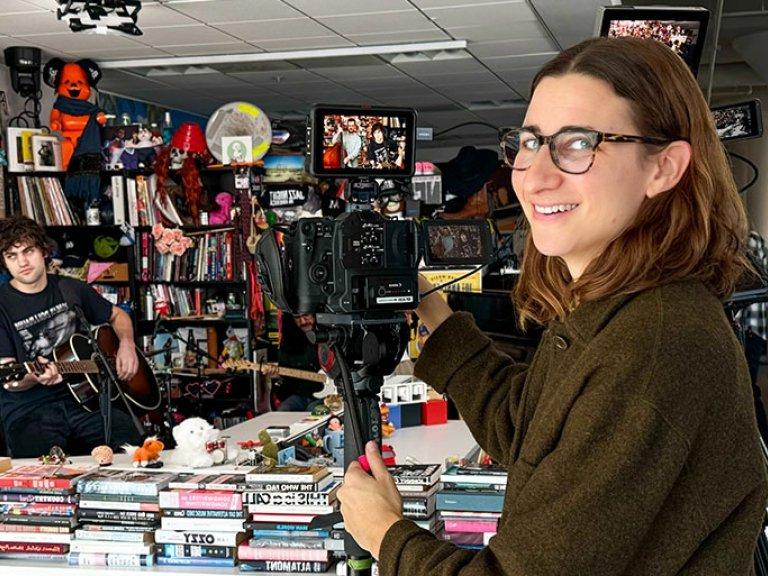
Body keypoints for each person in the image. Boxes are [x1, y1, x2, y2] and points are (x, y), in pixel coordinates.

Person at [336, 36, 768, 575]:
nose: (534, 175)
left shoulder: (652, 345)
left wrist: (385, 534)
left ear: (664, 168)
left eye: (579, 143)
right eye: (531, 141)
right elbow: (531, 433)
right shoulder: (616, 307)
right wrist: (432, 311)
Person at [0, 217, 142, 458]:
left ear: (44, 251)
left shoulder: (70, 288)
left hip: (86, 401)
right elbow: (8, 377)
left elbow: (118, 316)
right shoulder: (2, 304)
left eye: (28, 251)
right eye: (12, 256)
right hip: (29, 411)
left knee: (135, 445)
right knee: (44, 470)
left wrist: (127, 345)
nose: (22, 261)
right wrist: (35, 376)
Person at [263, 313, 324, 411]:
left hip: (329, 395)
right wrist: (278, 377)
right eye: (297, 318)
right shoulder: (288, 342)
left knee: (313, 410)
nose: (303, 321)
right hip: (300, 396)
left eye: (306, 316)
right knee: (283, 411)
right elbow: (286, 387)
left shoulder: (327, 337)